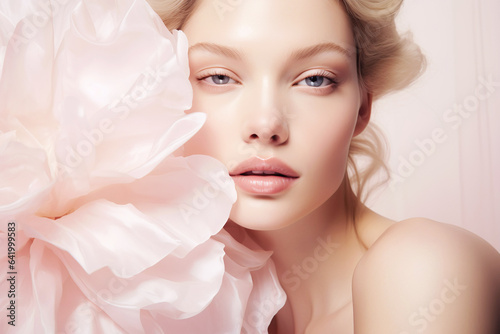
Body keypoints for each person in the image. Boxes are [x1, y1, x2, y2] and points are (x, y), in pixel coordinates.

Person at [148, 0, 500, 333]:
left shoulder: (425, 266)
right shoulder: (160, 298)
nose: (267, 124)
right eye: (219, 77)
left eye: (315, 79)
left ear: (363, 106)